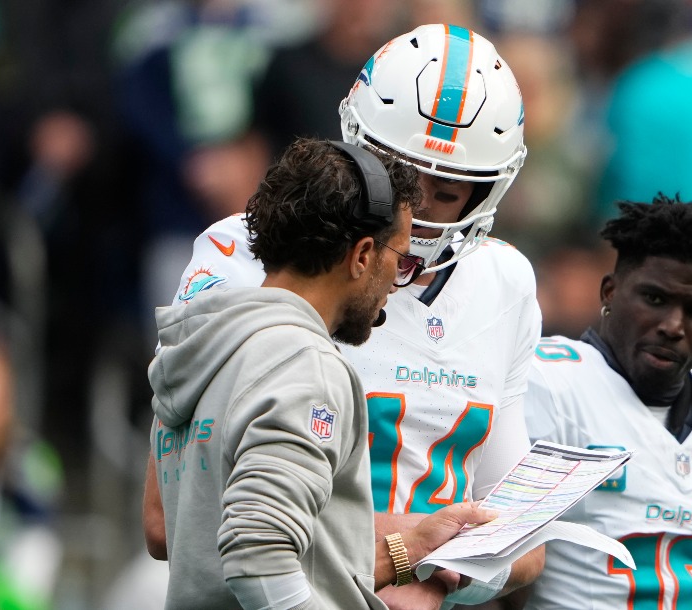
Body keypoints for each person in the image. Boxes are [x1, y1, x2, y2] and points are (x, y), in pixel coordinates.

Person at [156, 24, 544, 609]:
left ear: (485, 191)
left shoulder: (505, 283)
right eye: (401, 179)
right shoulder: (244, 255)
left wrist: (420, 557)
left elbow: (524, 547)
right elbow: (172, 520)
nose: (416, 217)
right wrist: (410, 545)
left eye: (446, 192)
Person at [147, 137, 496, 609]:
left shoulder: (206, 349)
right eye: (399, 260)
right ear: (362, 255)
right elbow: (257, 557)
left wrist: (407, 549)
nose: (395, 288)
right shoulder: (305, 365)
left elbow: (283, 565)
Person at [520, 194, 692, 609]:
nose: (673, 326)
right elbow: (500, 576)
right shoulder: (551, 385)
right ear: (611, 292)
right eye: (655, 299)